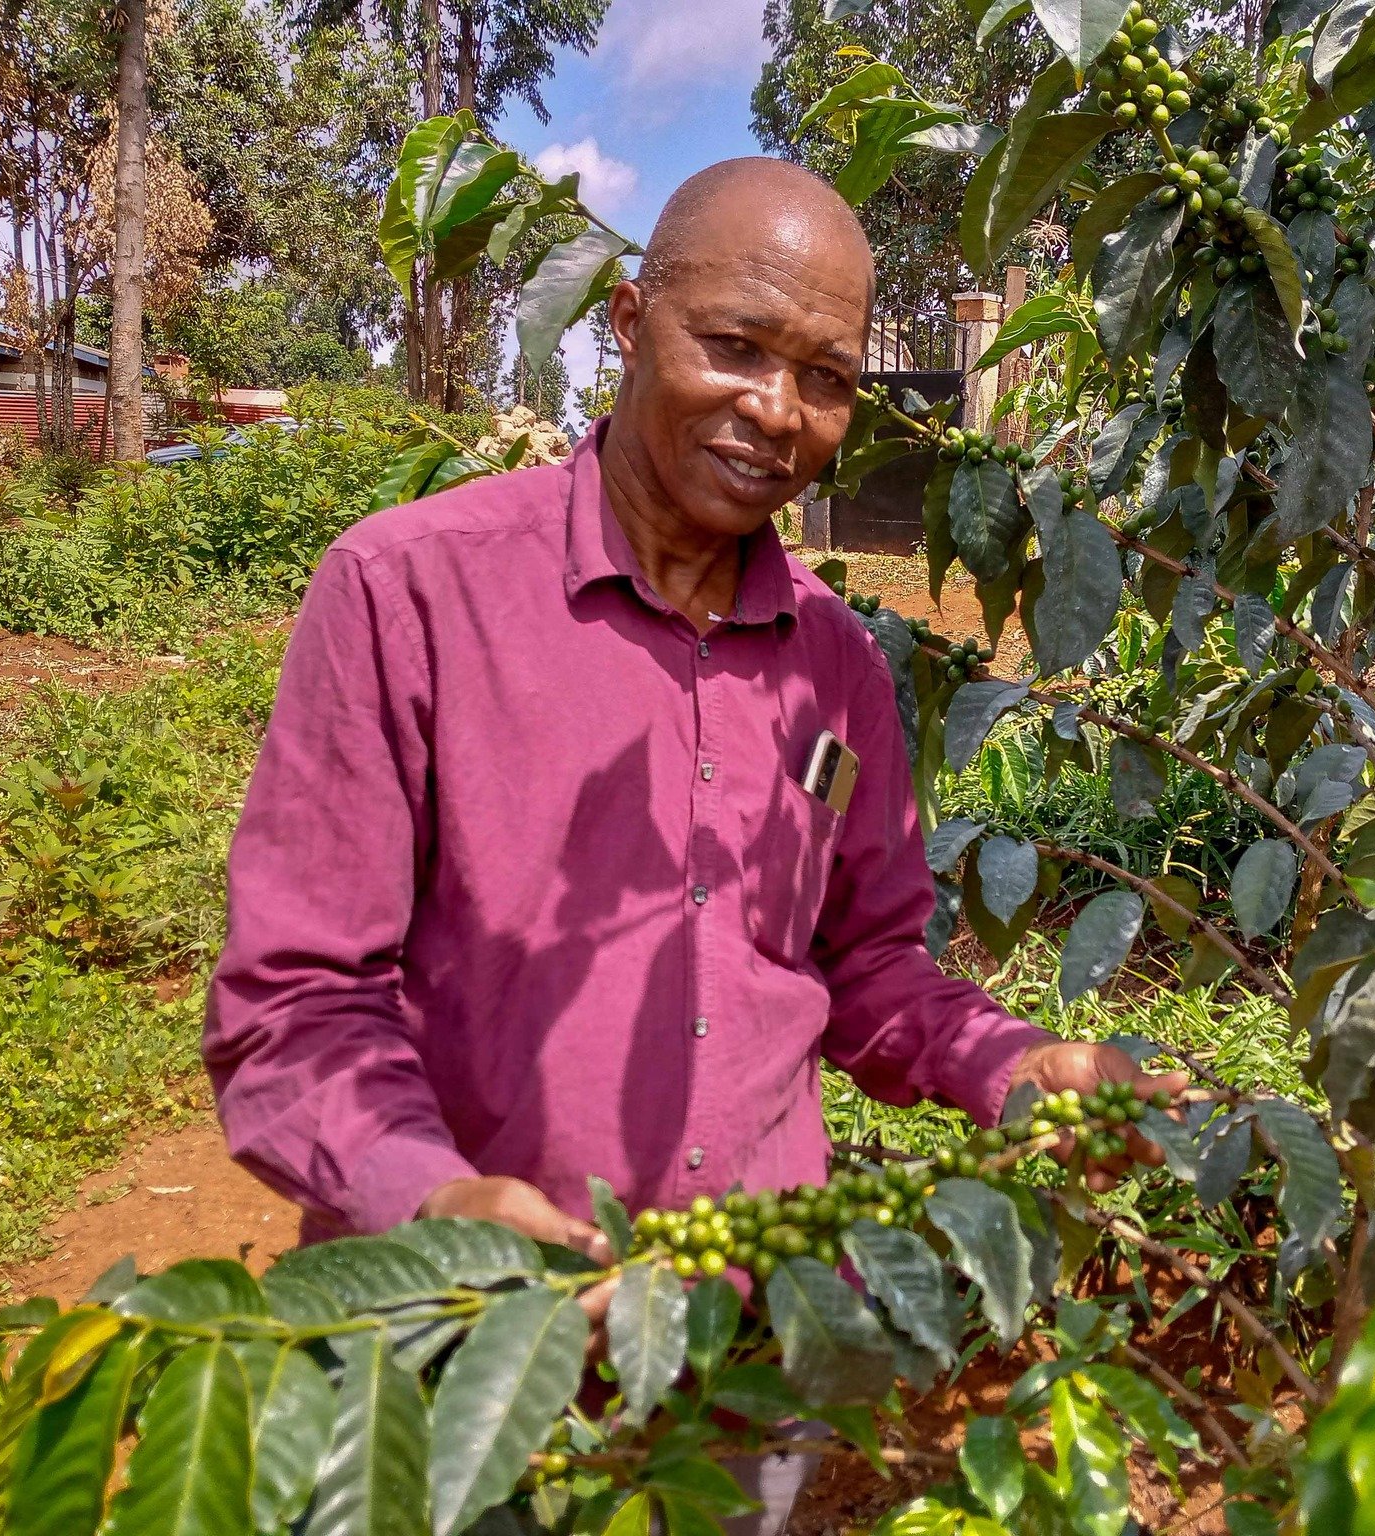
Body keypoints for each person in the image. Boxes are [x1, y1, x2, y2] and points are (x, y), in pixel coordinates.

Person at [203, 156, 1183, 1534]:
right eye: (733, 347)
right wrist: (438, 1197)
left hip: (742, 1343)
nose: (776, 412)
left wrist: (1018, 1063)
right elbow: (294, 1007)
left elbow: (869, 967)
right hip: (455, 1349)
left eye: (828, 377)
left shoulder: (839, 666)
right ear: (626, 321)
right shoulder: (407, 590)